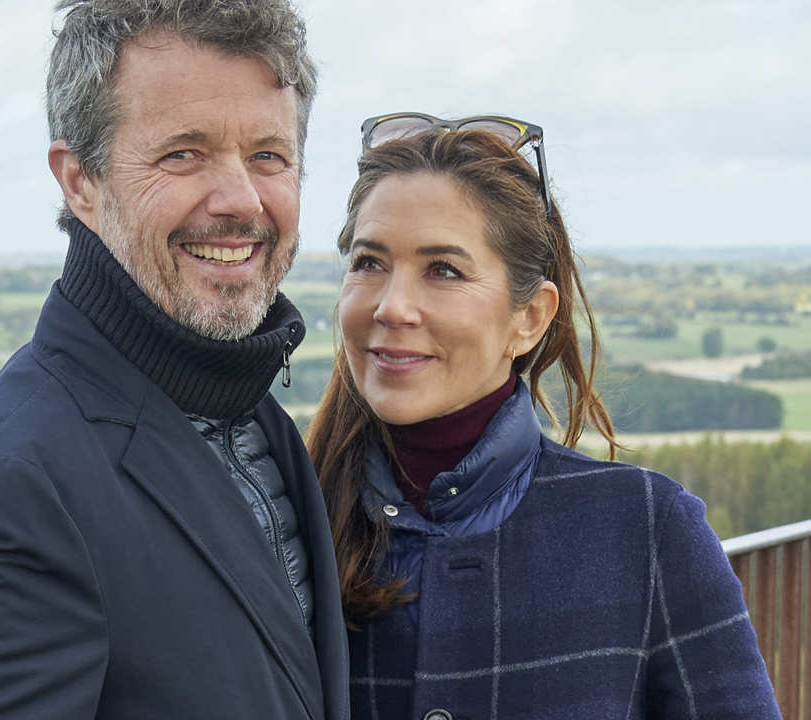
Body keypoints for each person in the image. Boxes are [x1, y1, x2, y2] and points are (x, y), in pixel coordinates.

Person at [0, 2, 349, 718]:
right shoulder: (11, 492)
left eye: (268, 156)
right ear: (80, 182)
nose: (241, 200)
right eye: (182, 153)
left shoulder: (249, 417)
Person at [307, 115, 779, 719]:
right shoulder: (284, 521)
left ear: (529, 317)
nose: (393, 305)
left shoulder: (646, 531)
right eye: (369, 262)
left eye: (443, 270)